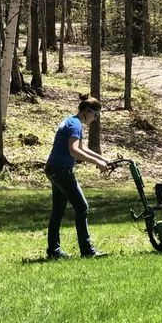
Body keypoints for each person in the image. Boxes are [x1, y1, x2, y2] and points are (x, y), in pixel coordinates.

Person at [45, 96, 111, 259]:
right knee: (82, 207)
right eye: (95, 116)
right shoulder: (75, 125)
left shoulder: (70, 121)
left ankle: (54, 251)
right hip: (61, 170)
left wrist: (103, 160)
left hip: (53, 168)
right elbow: (74, 151)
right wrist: (97, 162)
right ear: (88, 111)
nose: (95, 119)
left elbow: (82, 148)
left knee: (58, 211)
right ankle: (87, 251)